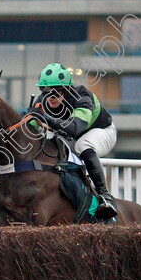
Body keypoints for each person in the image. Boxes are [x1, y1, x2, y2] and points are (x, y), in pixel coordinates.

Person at [29, 63, 118, 220]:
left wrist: (45, 118)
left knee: (83, 145)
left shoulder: (83, 97)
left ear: (67, 89)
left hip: (102, 132)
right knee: (45, 140)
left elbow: (75, 128)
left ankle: (105, 196)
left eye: (56, 92)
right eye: (45, 92)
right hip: (74, 135)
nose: (51, 97)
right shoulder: (43, 101)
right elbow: (32, 129)